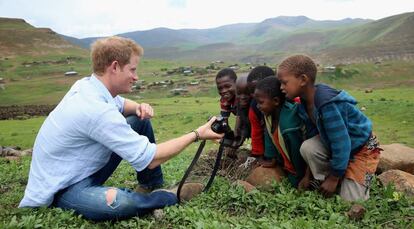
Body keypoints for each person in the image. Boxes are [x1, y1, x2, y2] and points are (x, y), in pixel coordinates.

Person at [19, 36, 223, 221]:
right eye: (132, 69)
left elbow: (122, 104)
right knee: (120, 204)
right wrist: (197, 134)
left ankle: (150, 183)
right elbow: (151, 158)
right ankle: (168, 195)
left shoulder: (87, 86)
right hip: (62, 186)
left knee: (139, 120)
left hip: (80, 168)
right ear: (114, 67)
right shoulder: (95, 109)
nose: (136, 77)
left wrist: (138, 107)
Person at [277, 54, 381, 201]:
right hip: (337, 145)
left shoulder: (327, 104)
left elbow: (342, 143)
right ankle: (328, 179)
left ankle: (337, 178)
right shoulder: (303, 105)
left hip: (362, 148)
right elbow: (313, 137)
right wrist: (307, 175)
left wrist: (333, 178)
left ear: (303, 80)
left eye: (284, 82)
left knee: (350, 201)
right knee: (308, 147)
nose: (281, 88)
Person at [254, 76, 306, 187]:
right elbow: (269, 136)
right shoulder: (268, 116)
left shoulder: (290, 124)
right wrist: (271, 158)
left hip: (300, 166)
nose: (258, 106)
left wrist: (299, 176)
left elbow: (297, 153)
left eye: (261, 102)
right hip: (286, 163)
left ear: (276, 101)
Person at [246, 66, 275, 158]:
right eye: (252, 92)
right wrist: (257, 155)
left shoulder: (290, 105)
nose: (255, 95)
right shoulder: (254, 108)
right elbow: (256, 133)